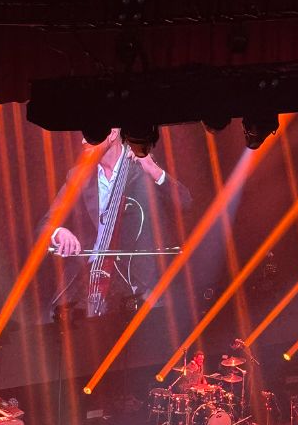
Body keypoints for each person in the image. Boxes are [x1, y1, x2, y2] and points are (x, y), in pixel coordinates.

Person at [39, 128, 191, 317]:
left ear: (112, 133)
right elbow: (47, 223)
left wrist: (154, 171)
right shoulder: (78, 176)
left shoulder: (141, 168)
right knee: (57, 320)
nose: (83, 142)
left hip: (133, 277)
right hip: (86, 272)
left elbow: (185, 203)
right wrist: (58, 232)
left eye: (89, 134)